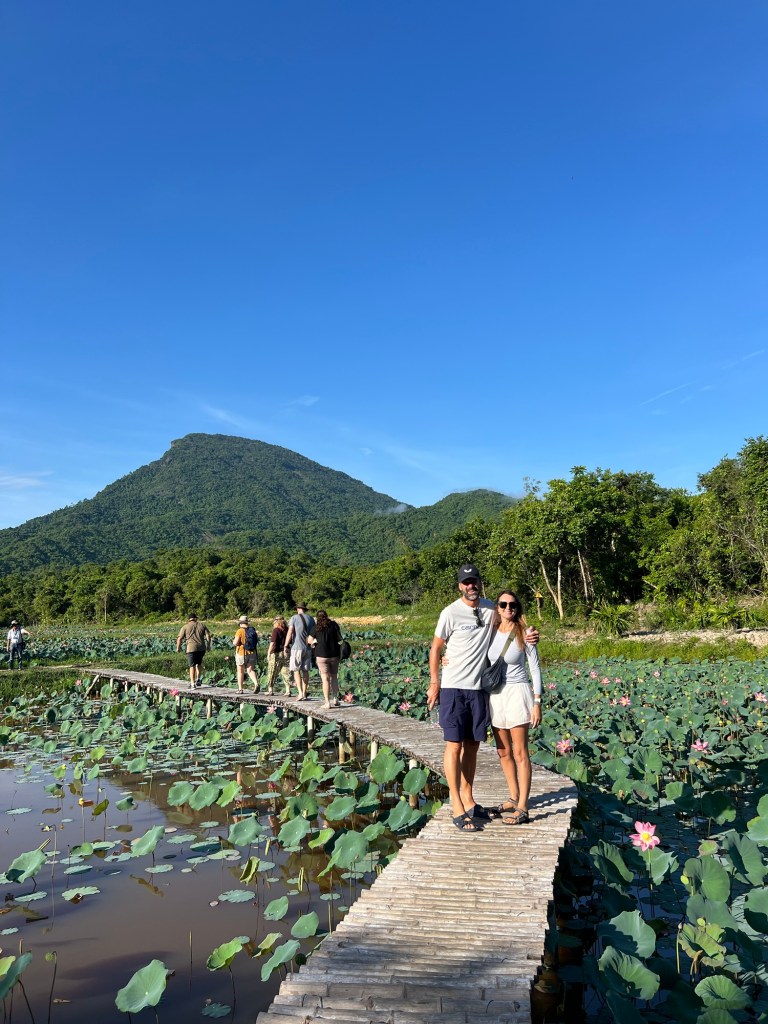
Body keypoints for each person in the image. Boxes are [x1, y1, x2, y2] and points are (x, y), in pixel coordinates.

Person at [427, 565, 538, 834]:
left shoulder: (492, 609)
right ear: (460, 586)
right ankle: (457, 806)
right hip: (454, 688)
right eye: (465, 582)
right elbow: (436, 647)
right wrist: (434, 682)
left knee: (472, 746)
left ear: (479, 582)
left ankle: (469, 800)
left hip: (479, 690)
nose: (470, 586)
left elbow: (513, 624)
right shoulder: (450, 612)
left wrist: (530, 633)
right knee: (454, 746)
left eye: (474, 581)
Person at [487, 590, 542, 826]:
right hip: (495, 695)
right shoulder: (489, 632)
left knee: (520, 752)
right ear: (497, 608)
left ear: (518, 608)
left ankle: (523, 807)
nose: (508, 608)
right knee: (503, 751)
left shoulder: (525, 633)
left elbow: (535, 669)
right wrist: (446, 659)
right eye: (503, 604)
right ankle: (513, 796)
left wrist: (537, 702)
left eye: (513, 605)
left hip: (518, 693)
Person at [308, 609, 343, 709]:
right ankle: (335, 698)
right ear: (326, 616)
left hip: (321, 655)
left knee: (325, 679)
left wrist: (314, 642)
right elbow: (340, 638)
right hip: (334, 655)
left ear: (317, 618)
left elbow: (310, 640)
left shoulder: (316, 627)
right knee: (334, 677)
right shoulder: (334, 625)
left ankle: (327, 702)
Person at [283, 601, 315, 701]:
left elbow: (290, 631)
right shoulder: (311, 619)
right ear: (305, 609)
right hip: (308, 648)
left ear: (298, 609)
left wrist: (286, 645)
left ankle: (300, 693)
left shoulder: (294, 618)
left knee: (296, 670)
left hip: (297, 647)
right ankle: (304, 693)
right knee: (305, 671)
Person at [175, 613, 212, 689]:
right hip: (201, 648)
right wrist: (208, 645)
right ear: (195, 618)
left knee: (192, 666)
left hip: (190, 648)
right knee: (199, 663)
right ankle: (198, 679)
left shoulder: (185, 627)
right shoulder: (202, 625)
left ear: (189, 619)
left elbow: (179, 638)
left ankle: (192, 683)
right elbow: (208, 635)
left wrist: (178, 648)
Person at [233, 614, 260, 693]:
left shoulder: (240, 631)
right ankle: (256, 683)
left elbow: (235, 643)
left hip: (242, 653)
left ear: (240, 623)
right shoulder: (252, 630)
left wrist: (233, 642)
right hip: (252, 652)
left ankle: (240, 689)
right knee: (250, 670)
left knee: (240, 671)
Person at [265, 616, 291, 695]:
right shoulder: (287, 630)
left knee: (272, 671)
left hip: (276, 653)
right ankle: (288, 690)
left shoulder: (276, 630)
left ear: (276, 622)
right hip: (286, 652)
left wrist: (268, 653)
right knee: (286, 671)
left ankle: (270, 689)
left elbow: (273, 643)